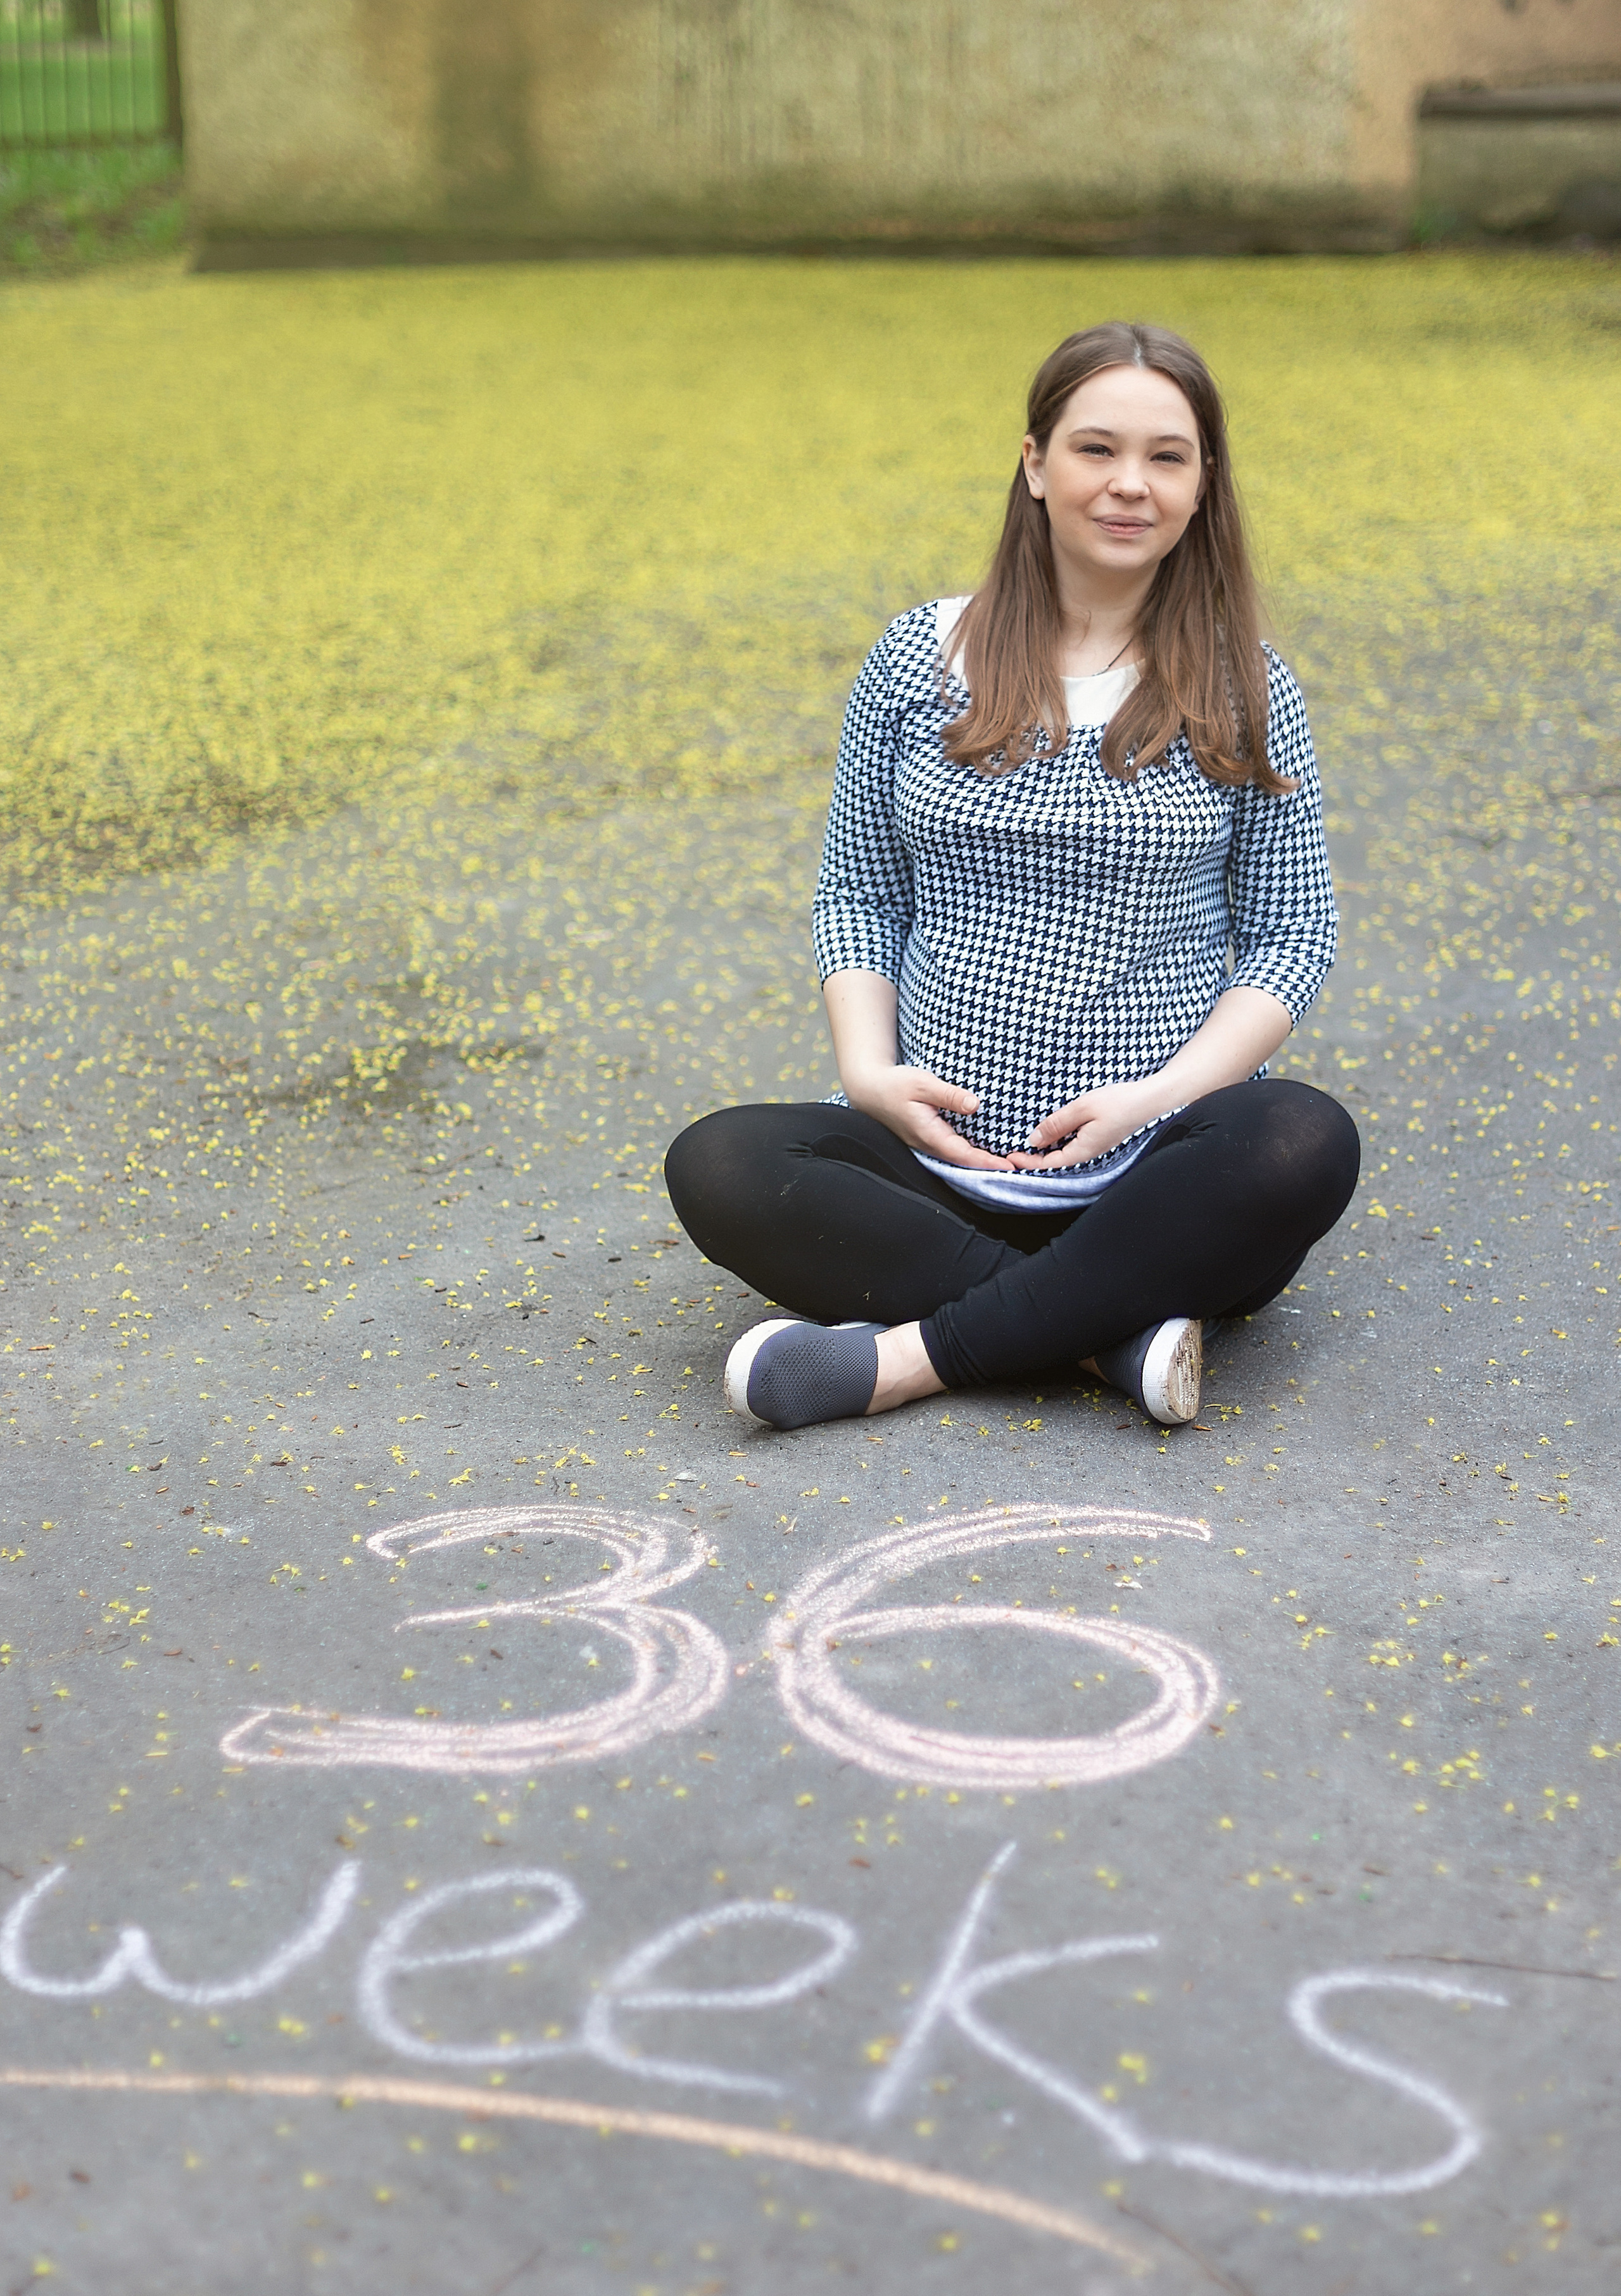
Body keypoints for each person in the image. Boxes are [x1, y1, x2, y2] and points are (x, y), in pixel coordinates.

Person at [665, 321, 1359, 1434]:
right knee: (722, 1162)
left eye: (1167, 457)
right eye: (1096, 449)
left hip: (1154, 1176)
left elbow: (1292, 937)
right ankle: (1108, 1340)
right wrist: (868, 1074)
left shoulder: (1246, 685)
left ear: (1202, 486)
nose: (1129, 484)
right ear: (1035, 464)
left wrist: (1159, 1099)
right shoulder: (917, 657)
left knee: (1302, 1138)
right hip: (933, 1169)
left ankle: (902, 1362)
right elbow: (858, 892)